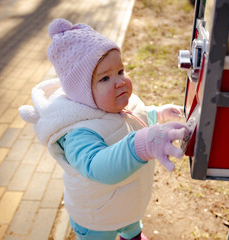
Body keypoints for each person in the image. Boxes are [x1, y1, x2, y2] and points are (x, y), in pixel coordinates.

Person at [18, 18, 189, 240]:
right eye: (105, 78)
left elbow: (135, 117)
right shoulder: (77, 132)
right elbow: (97, 167)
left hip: (125, 201)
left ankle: (131, 232)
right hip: (96, 217)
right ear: (82, 93)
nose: (119, 82)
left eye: (120, 71)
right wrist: (142, 144)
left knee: (128, 217)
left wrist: (157, 114)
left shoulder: (116, 103)